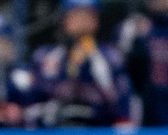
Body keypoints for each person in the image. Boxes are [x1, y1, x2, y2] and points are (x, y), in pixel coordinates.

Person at [34, 0, 138, 128]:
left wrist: (93, 60)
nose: (82, 22)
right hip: (54, 131)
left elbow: (122, 101)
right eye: (76, 15)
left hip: (99, 131)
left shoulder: (111, 57)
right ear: (65, 19)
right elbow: (36, 98)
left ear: (96, 21)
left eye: (87, 16)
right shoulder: (46, 55)